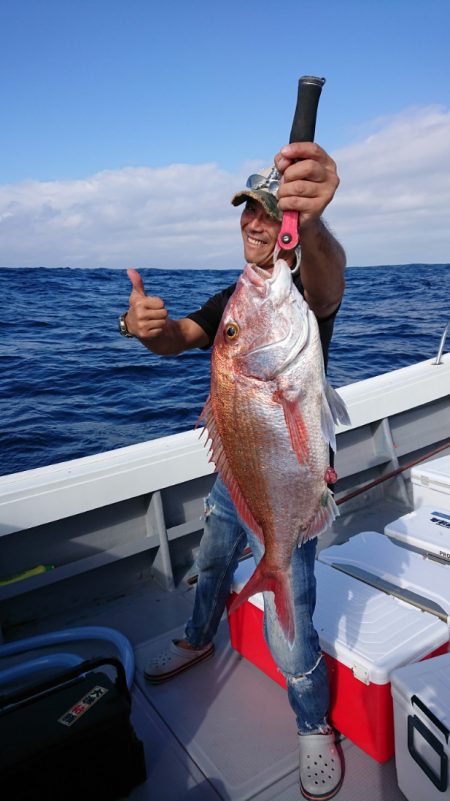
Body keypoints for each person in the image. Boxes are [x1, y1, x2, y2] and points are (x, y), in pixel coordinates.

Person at [120, 141, 346, 801]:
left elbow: (328, 283)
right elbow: (182, 336)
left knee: (294, 604)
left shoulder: (295, 285)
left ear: (288, 224)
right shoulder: (241, 296)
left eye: (268, 211)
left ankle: (313, 726)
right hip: (243, 468)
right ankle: (197, 634)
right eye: (246, 209)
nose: (252, 221)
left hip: (292, 476)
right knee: (213, 551)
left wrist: (317, 223)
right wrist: (142, 328)